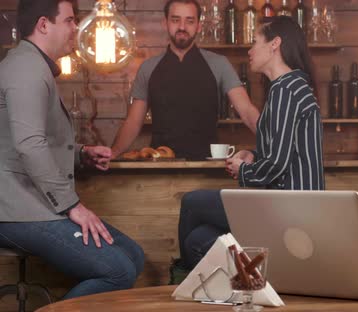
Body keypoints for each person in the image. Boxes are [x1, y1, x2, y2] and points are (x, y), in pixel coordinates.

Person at [0, 0, 144, 299]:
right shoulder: (26, 67)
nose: (75, 28)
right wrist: (72, 206)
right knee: (118, 270)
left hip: (35, 206)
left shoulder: (35, 65)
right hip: (16, 211)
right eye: (68, 20)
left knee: (133, 255)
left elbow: (31, 138)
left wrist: (80, 152)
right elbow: (29, 145)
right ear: (43, 25)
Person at [177, 16, 325, 271]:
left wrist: (242, 170)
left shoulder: (285, 90)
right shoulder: (293, 85)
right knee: (198, 239)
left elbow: (278, 163)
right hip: (289, 205)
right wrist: (253, 154)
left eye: (255, 42)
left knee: (192, 203)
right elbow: (285, 150)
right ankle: (232, 286)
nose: (250, 50)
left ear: (275, 44)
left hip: (287, 209)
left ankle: (192, 288)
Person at [110, 0, 260, 160]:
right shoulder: (148, 68)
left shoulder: (219, 64)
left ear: (198, 26)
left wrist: (276, 145)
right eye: (175, 20)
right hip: (158, 168)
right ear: (165, 23)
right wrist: (112, 154)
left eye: (189, 21)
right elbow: (133, 122)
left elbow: (247, 111)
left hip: (207, 167)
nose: (182, 27)